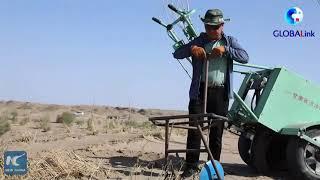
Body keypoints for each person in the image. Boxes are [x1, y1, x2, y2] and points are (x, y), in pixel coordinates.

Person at [173, 9, 249, 178]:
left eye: (215, 27)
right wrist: (192, 49)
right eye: (208, 27)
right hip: (199, 92)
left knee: (216, 132)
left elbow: (245, 57)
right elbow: (177, 54)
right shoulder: (199, 40)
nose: (212, 30)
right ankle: (191, 166)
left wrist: (226, 50)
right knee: (195, 129)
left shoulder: (229, 41)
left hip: (220, 92)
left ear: (222, 26)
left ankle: (212, 168)